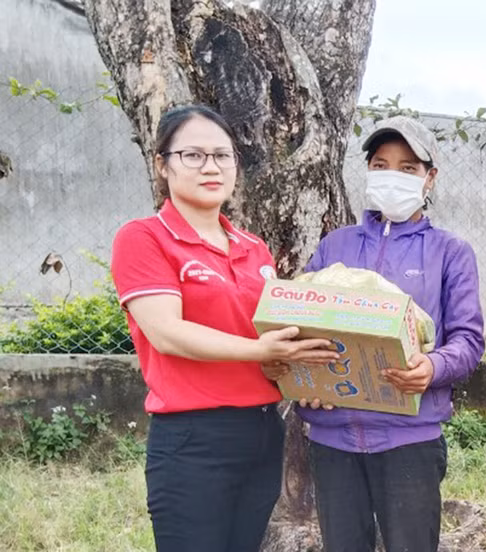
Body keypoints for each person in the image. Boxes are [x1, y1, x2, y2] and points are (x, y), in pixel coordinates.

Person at [110, 105, 339, 552]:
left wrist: (309, 373)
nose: (211, 167)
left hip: (261, 432)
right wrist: (261, 351)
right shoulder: (144, 237)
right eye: (193, 155)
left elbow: (273, 340)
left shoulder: (254, 248)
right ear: (162, 164)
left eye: (222, 155)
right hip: (192, 438)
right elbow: (167, 332)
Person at [264, 115, 485, 552]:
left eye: (408, 168)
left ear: (430, 178)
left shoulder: (450, 252)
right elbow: (300, 318)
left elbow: (469, 340)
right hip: (332, 439)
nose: (392, 176)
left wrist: (433, 367)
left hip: (410, 440)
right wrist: (304, 380)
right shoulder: (336, 245)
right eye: (381, 165)